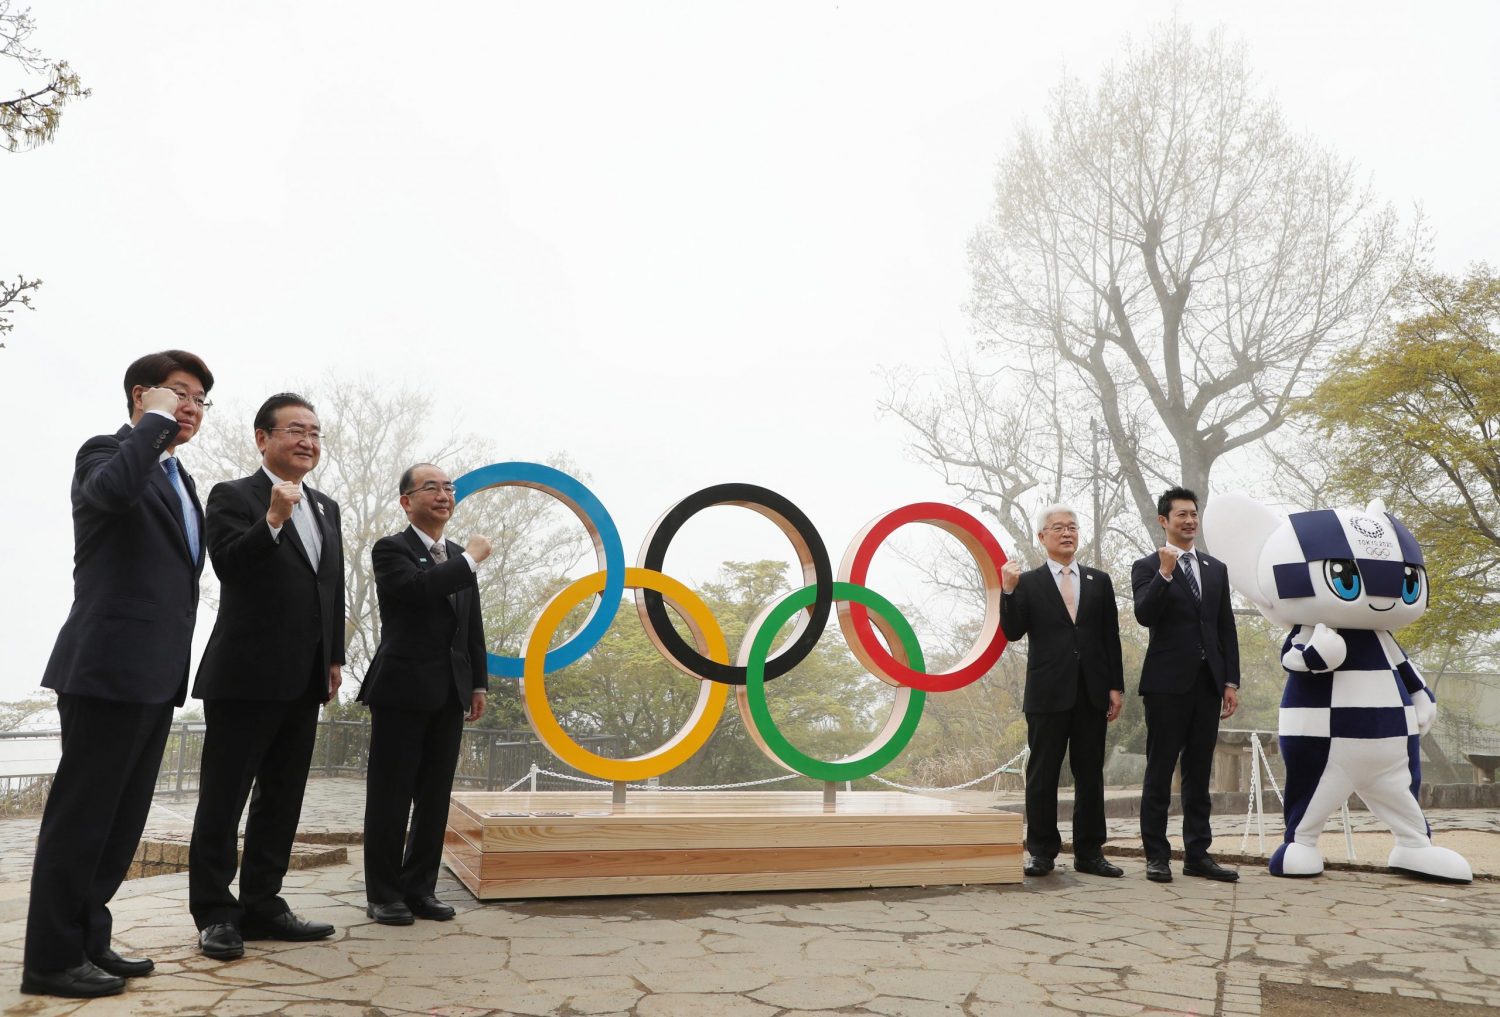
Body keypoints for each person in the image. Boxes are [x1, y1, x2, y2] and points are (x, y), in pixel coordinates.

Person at [22, 352, 214, 998]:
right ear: (142, 395)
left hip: (156, 678)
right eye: (178, 394)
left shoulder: (182, 482)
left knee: (120, 821)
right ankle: (50, 956)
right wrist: (150, 428)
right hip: (105, 668)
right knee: (81, 818)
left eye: (199, 400)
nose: (191, 407)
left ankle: (88, 939)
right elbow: (110, 495)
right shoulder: (106, 453)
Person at [188, 393, 345, 959]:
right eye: (295, 430)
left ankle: (263, 903)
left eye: (316, 432)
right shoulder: (234, 495)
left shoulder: (327, 507)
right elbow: (228, 563)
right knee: (224, 798)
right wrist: (274, 518)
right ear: (263, 438)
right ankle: (214, 912)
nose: (308, 441)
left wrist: (335, 655)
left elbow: (332, 586)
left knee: (282, 796)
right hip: (244, 675)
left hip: (305, 677)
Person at [359, 463, 491, 925]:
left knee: (435, 798)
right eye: (431, 487)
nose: (443, 494)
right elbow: (416, 591)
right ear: (406, 501)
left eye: (448, 487)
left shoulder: (456, 554)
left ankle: (420, 889)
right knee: (390, 796)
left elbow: (470, 623)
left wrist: (477, 681)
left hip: (450, 692)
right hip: (400, 689)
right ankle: (384, 894)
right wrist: (469, 561)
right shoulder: (391, 549)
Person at [1000, 505, 1125, 879]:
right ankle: (1041, 852)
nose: (1067, 533)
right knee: (1043, 775)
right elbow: (1012, 631)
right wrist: (1007, 591)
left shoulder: (1098, 581)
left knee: (1090, 774)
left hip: (1091, 690)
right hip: (1047, 692)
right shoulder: (1028, 581)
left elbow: (1109, 637)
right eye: (1058, 528)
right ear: (1042, 537)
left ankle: (1090, 853)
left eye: (1072, 527)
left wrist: (1115, 686)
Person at [1132, 486, 1240, 883]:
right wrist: (1164, 573)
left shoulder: (1215, 569)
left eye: (1194, 514)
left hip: (1208, 684)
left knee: (1200, 771)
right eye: (1181, 515)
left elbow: (1225, 626)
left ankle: (1198, 854)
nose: (1190, 520)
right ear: (1164, 521)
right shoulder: (1146, 567)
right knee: (1159, 771)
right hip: (1165, 685)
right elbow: (1145, 615)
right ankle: (1156, 856)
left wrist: (1230, 680)